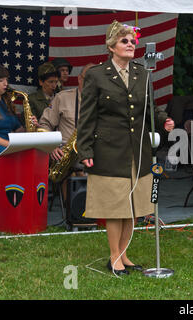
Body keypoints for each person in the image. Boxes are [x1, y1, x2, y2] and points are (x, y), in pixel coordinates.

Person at [76, 20, 174, 275]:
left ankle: (124, 253)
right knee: (115, 206)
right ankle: (114, 256)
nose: (130, 44)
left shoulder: (143, 73)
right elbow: (86, 116)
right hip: (108, 149)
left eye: (132, 41)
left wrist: (164, 120)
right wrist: (84, 150)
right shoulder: (97, 75)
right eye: (124, 41)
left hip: (137, 149)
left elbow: (151, 107)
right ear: (111, 46)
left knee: (133, 206)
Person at [34, 63, 95, 198]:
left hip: (96, 151)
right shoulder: (62, 97)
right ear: (79, 79)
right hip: (68, 152)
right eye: (88, 80)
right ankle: (76, 213)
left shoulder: (105, 100)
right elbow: (44, 124)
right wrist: (52, 146)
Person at [0, 64, 24, 155]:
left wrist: (33, 124)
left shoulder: (6, 102)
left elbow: (18, 129)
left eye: (6, 80)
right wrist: (10, 145)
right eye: (1, 80)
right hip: (2, 150)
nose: (6, 84)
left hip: (9, 149)